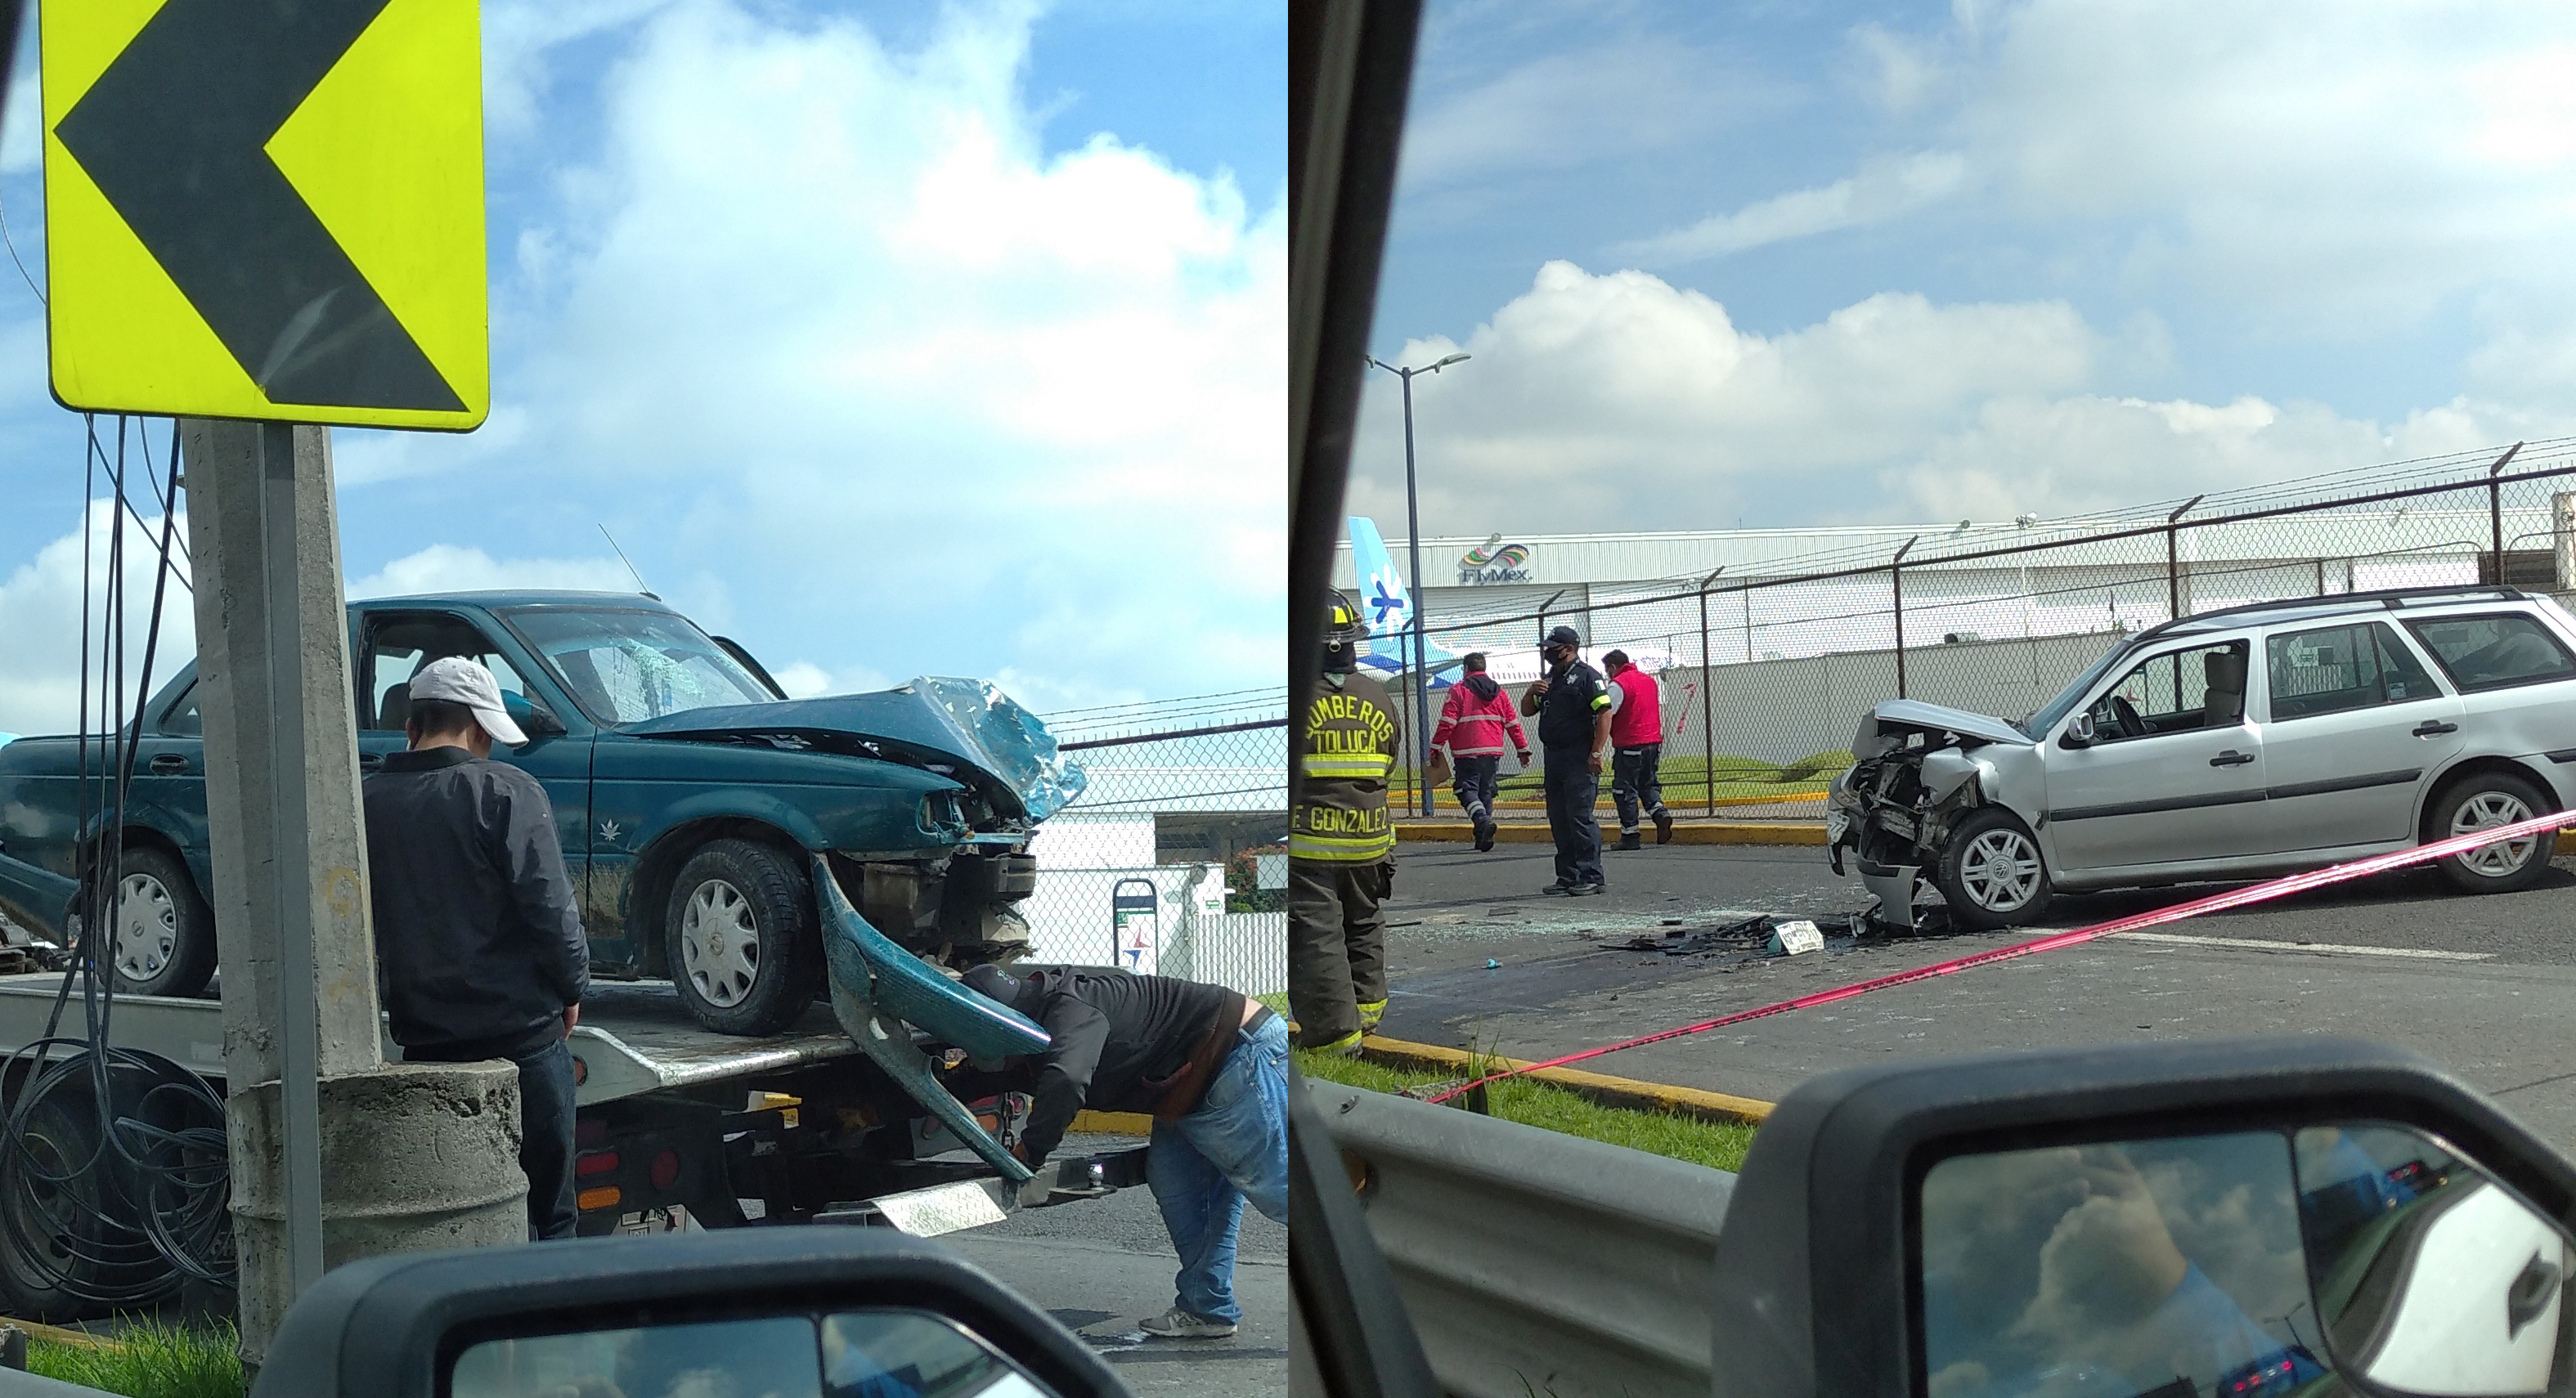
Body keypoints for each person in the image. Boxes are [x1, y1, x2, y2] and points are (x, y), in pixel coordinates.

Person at [362, 656, 587, 1241]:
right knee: (551, 1219)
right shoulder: (506, 791)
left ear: (411, 728)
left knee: (450, 1225)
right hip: (523, 1046)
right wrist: (572, 989)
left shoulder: (362, 805)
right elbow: (550, 908)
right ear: (482, 729)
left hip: (427, 1052)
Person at [961, 964, 1286, 1341]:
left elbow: (1067, 1079)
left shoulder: (1071, 1011)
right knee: (1176, 1182)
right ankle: (1207, 1307)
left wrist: (1027, 1155)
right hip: (1188, 1085)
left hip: (1235, 1053)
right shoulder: (1034, 1026)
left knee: (1281, 1191)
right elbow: (973, 1078)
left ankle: (1363, 1282)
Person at [1289, 591, 1399, 1052]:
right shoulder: (1379, 696)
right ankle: (1369, 1011)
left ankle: (1336, 1037)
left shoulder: (1297, 699)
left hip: (1311, 845)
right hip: (1371, 843)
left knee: (1317, 935)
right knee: (1363, 921)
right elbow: (1389, 764)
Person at [1519, 625, 1611, 894]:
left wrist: (1597, 751)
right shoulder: (1550, 679)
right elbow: (1527, 711)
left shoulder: (1588, 677)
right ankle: (1568, 876)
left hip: (1579, 755)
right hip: (1554, 756)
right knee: (1559, 817)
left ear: (1568, 649)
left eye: (1553, 648)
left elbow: (1605, 712)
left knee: (1580, 816)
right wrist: (1529, 693)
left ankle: (1591, 875)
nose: (1547, 652)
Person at [1428, 651, 1529, 852]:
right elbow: (1513, 724)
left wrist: (1436, 747)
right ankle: (1482, 836)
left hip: (1467, 751)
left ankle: (1482, 821)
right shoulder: (1500, 692)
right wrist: (1522, 749)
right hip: (1493, 751)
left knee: (1465, 789)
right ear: (1484, 668)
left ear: (1466, 669)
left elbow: (1447, 723)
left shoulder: (1458, 690)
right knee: (1486, 793)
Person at [1602, 650, 1673, 850]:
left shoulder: (1618, 684)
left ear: (1613, 667)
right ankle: (1660, 814)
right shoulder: (1649, 681)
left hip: (1630, 743)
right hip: (1652, 742)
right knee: (1647, 783)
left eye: (1607, 670)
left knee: (1624, 789)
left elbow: (1608, 713)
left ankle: (1630, 835)